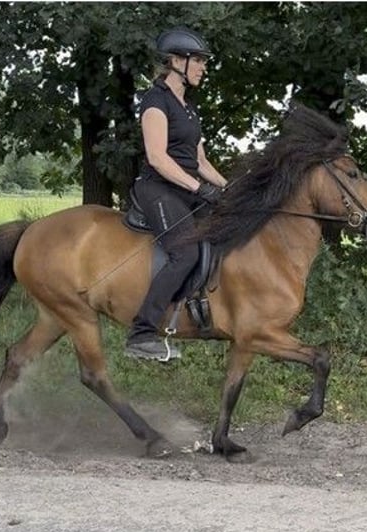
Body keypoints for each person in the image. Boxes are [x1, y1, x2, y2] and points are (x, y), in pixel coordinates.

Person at [124, 27, 228, 361]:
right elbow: (158, 157)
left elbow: (200, 161)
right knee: (185, 254)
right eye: (198, 60)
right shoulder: (155, 102)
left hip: (186, 188)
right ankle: (141, 334)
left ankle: (198, 310)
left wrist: (229, 189)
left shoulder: (188, 108)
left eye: (202, 61)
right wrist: (200, 188)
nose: (203, 68)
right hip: (159, 188)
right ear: (175, 61)